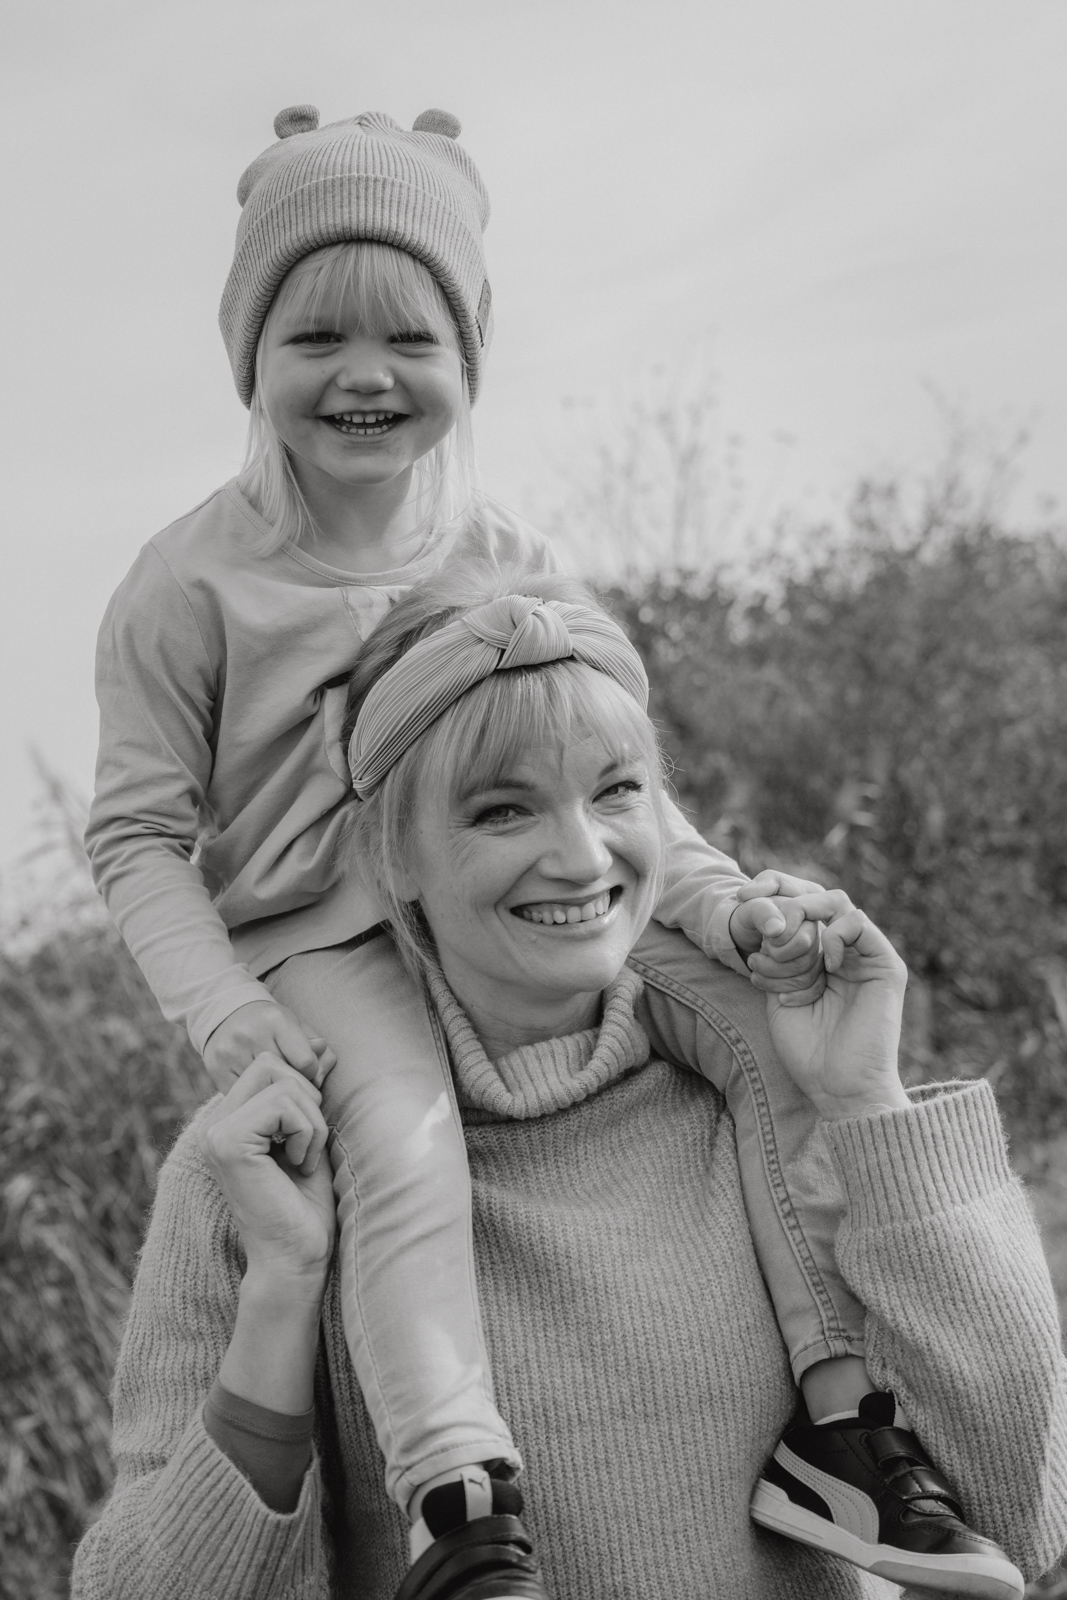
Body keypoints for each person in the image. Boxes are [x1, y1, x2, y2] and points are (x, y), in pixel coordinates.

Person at [83, 101, 829, 1588]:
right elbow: (136, 834)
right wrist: (230, 1014)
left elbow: (599, 784)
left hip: (506, 900)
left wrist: (718, 900)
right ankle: (454, 1499)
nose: (363, 376)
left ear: (465, 362)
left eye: (409, 342)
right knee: (406, 1147)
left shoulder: (503, 557)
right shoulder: (189, 584)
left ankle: (843, 1410)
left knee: (768, 1031)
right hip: (327, 942)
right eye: (314, 342)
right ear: (250, 361)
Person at [74, 570, 1067, 1600]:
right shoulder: (262, 1167)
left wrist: (865, 1101)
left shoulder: (763, 1105)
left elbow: (1021, 1506)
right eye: (502, 810)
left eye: (616, 790)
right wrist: (281, 1295)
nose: (580, 854)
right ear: (390, 855)